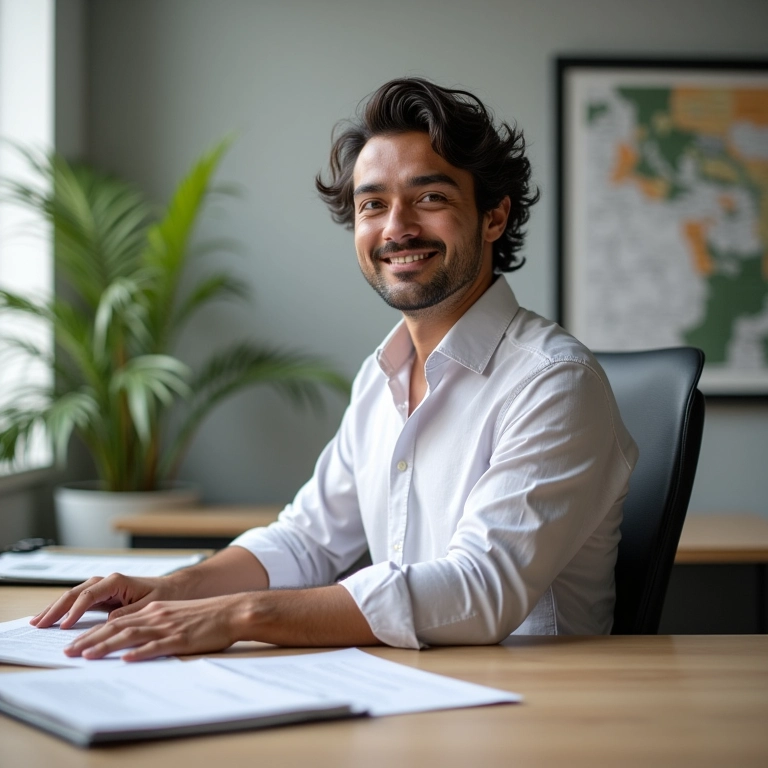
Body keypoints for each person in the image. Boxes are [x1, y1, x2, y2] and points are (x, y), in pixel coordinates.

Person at [32, 77, 638, 659]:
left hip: (532, 702)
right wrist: (174, 589)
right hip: (414, 685)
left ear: (494, 217)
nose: (396, 228)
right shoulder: (381, 377)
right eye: (373, 204)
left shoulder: (553, 382)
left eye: (430, 197)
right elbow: (307, 539)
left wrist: (239, 615)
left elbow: (479, 590)